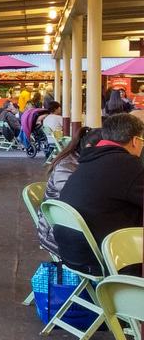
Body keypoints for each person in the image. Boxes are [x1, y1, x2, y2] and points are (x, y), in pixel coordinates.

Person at [54, 113, 144, 275]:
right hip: (104, 259)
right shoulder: (128, 164)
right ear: (135, 141)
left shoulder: (90, 160)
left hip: (72, 252)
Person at [35, 127, 102, 260]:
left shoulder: (84, 162)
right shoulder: (67, 166)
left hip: (73, 227)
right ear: (89, 147)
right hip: (56, 233)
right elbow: (80, 199)